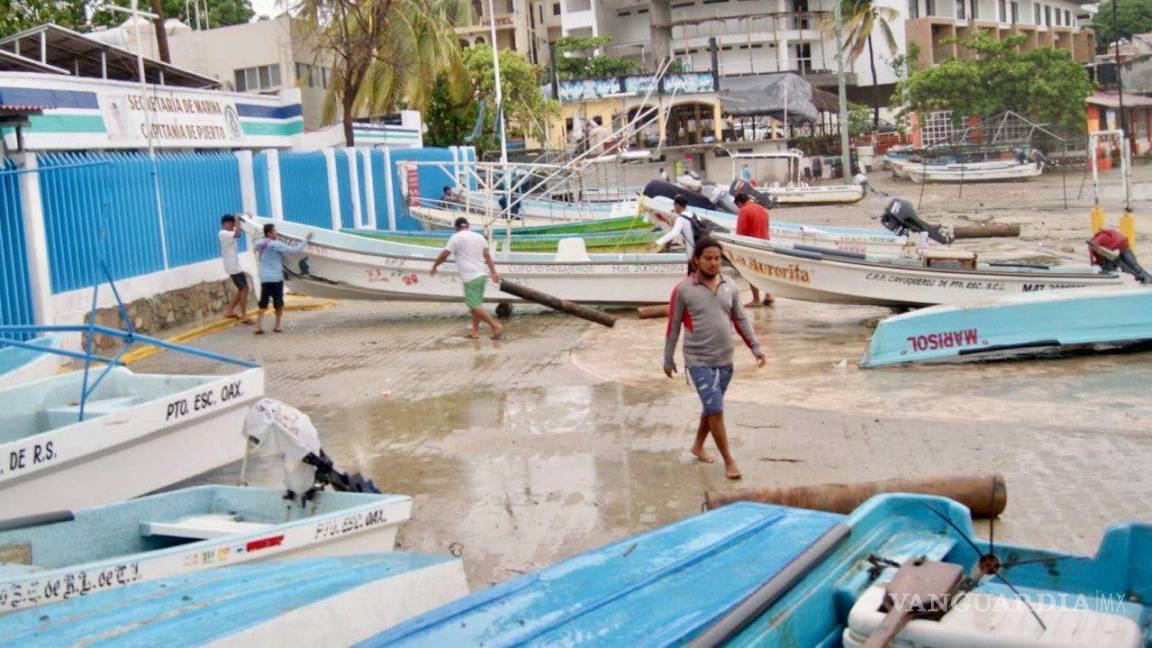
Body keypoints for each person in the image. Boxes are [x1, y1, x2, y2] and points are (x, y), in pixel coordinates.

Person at [664, 238, 765, 480]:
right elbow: (673, 326)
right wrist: (668, 358)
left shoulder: (729, 285)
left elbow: (740, 319)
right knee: (715, 408)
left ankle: (698, 446)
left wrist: (755, 346)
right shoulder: (683, 290)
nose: (713, 263)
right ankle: (729, 461)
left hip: (725, 359)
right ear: (695, 260)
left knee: (712, 407)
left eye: (717, 258)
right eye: (708, 258)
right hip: (698, 359)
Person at [431, 217, 505, 339]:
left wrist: (435, 265)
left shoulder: (456, 237)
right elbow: (487, 256)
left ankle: (495, 325)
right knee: (476, 305)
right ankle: (474, 332)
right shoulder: (480, 237)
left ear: (456, 227)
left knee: (474, 306)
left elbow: (445, 254)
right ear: (468, 226)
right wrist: (494, 273)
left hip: (471, 277)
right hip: (482, 275)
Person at [253, 223, 312, 335]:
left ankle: (257, 326)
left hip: (265, 279)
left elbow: (255, 245)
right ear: (269, 233)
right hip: (276, 278)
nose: (277, 233)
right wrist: (306, 240)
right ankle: (277, 326)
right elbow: (294, 250)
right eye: (275, 231)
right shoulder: (276, 244)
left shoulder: (261, 243)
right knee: (278, 304)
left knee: (263, 303)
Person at [733, 193, 774, 307]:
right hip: (766, 243)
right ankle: (768, 295)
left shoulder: (744, 210)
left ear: (739, 203)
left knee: (750, 272)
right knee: (766, 270)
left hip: (752, 246)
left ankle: (756, 299)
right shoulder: (762, 209)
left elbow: (740, 233)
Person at [218, 215, 252, 323]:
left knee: (242, 289)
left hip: (234, 266)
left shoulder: (228, 233)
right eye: (232, 223)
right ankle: (244, 315)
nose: (233, 226)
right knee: (245, 289)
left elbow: (239, 229)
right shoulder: (223, 233)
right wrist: (237, 220)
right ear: (225, 223)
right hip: (233, 267)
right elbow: (238, 234)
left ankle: (230, 311)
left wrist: (245, 217)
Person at [655, 194, 697, 273]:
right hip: (698, 247)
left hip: (690, 251)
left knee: (691, 273)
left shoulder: (681, 218)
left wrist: (658, 242)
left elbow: (674, 233)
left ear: (677, 205)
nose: (674, 208)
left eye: (674, 205)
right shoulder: (693, 214)